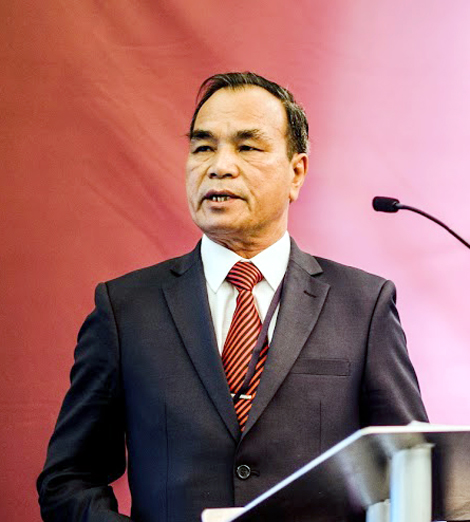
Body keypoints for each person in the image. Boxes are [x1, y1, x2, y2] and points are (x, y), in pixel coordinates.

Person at [37, 72, 428, 522]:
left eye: (247, 147)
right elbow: (68, 481)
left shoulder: (363, 306)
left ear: (296, 172)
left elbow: (411, 474)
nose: (219, 166)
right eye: (203, 147)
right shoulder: (125, 310)